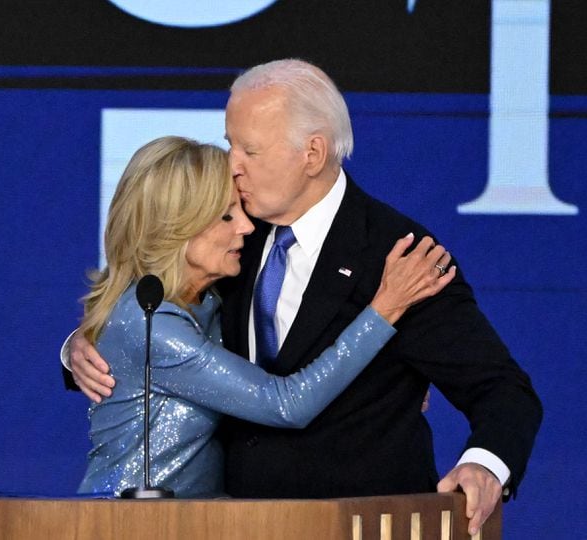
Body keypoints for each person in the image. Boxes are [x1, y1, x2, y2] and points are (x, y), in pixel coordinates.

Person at [65, 60, 542, 535]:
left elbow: (503, 390)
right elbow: (158, 311)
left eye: (249, 149)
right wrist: (82, 348)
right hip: (233, 526)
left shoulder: (399, 259)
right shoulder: (230, 236)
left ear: (312, 153)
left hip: (357, 524)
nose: (232, 165)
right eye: (231, 144)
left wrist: (486, 464)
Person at [75, 135, 454, 497]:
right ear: (177, 227)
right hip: (127, 525)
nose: (246, 226)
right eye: (226, 216)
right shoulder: (150, 323)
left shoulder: (209, 302)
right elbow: (285, 403)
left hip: (196, 522)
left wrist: (385, 384)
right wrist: (383, 310)